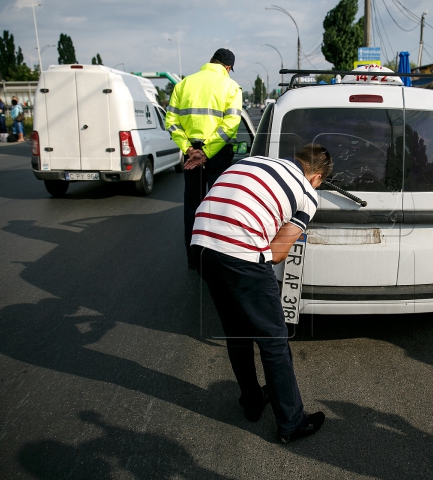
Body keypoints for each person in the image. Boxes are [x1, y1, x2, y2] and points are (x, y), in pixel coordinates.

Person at [191, 144, 332, 443]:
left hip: (201, 243)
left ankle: (253, 401)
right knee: (274, 341)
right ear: (317, 177)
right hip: (238, 253)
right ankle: (292, 423)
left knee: (237, 331)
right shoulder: (308, 195)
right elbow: (278, 253)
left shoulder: (255, 161)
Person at [165, 48, 243, 268]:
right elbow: (231, 125)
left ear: (211, 61)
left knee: (193, 207)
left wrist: (190, 149)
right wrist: (207, 152)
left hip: (191, 155)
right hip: (217, 155)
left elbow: (170, 121)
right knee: (218, 207)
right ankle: (216, 259)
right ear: (227, 68)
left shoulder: (183, 84)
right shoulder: (231, 86)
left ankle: (194, 260)